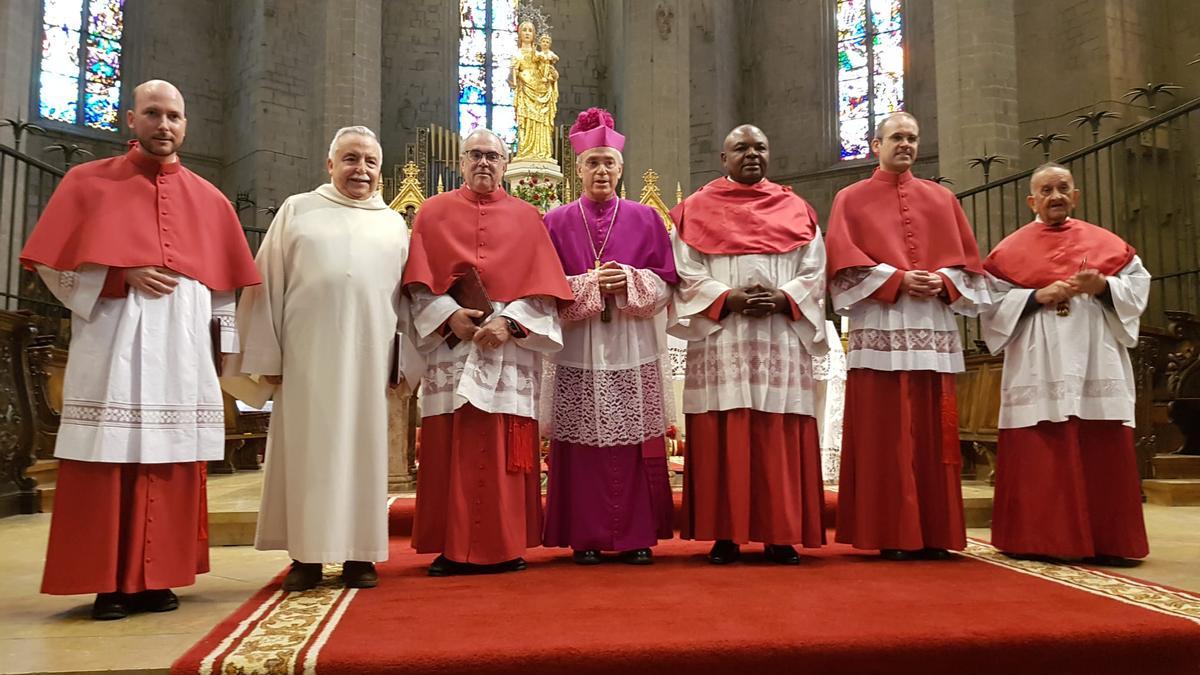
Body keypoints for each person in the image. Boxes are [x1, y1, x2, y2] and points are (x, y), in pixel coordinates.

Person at [20, 80, 260, 619]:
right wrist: (117, 275)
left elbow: (225, 290)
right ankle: (107, 582)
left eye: (174, 115)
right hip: (113, 342)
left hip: (181, 347)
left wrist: (226, 354)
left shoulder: (210, 198)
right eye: (153, 113)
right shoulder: (87, 183)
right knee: (110, 457)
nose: (164, 125)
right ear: (131, 119)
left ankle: (159, 577)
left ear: (185, 125)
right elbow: (54, 269)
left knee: (172, 460)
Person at [234, 126, 412, 591]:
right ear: (330, 165)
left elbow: (407, 305)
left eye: (370, 162)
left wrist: (403, 364)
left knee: (363, 452)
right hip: (306, 359)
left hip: (369, 362)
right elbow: (265, 284)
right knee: (308, 454)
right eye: (351, 159)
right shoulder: (298, 210)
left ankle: (359, 556)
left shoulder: (394, 225)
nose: (361, 170)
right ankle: (306, 558)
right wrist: (265, 354)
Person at [403, 128, 573, 576]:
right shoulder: (432, 213)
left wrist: (509, 322)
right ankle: (449, 546)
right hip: (454, 347)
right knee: (450, 444)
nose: (484, 163)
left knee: (504, 446)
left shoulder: (527, 217)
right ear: (461, 162)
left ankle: (507, 543)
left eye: (493, 156)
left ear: (505, 163)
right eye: (475, 155)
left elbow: (544, 293)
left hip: (507, 347)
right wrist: (448, 315)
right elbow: (417, 286)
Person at [826, 112, 990, 561]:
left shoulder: (942, 199)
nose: (906, 144)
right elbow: (841, 266)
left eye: (913, 138)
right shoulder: (850, 199)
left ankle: (935, 530)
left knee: (932, 432)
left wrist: (943, 281)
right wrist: (896, 279)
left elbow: (969, 267)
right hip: (880, 326)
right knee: (886, 432)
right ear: (874, 146)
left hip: (931, 328)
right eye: (897, 137)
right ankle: (890, 532)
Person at [669, 124, 829, 565]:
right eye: (741, 148)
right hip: (724, 338)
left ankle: (781, 532)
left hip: (780, 336)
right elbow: (686, 272)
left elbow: (815, 270)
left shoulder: (796, 209)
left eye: (760, 146)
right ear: (724, 159)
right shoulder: (695, 210)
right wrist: (727, 298)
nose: (752, 154)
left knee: (776, 431)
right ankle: (726, 534)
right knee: (726, 428)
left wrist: (784, 297)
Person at [981, 162, 1150, 566]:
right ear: (1031, 201)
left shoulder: (1107, 242)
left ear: (1075, 196)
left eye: (1062, 188)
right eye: (1046, 190)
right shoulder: (1009, 250)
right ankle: (1038, 537)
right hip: (1040, 360)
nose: (1055, 196)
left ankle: (1111, 539)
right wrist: (1034, 296)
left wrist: (1105, 285)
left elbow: (1138, 286)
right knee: (1043, 442)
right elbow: (988, 303)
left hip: (1096, 355)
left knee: (1099, 440)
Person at [542, 108, 678, 565]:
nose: (602, 171)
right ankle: (587, 536)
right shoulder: (556, 221)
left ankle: (634, 535)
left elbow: (667, 281)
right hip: (578, 346)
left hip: (631, 342)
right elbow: (544, 288)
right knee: (580, 444)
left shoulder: (645, 219)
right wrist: (588, 286)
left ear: (622, 169)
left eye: (609, 163)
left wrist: (633, 281)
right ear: (578, 169)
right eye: (593, 163)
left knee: (633, 440)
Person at [509, 21, 557, 160]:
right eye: (524, 30)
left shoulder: (540, 54)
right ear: (519, 34)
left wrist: (553, 77)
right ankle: (526, 151)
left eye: (530, 30)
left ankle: (541, 151)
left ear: (534, 34)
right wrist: (515, 78)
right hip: (525, 90)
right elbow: (513, 75)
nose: (527, 33)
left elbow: (549, 72)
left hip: (541, 91)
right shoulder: (517, 55)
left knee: (541, 123)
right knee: (527, 121)